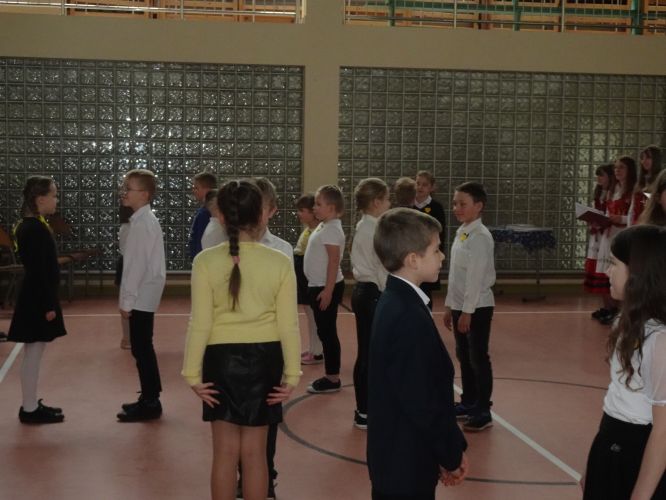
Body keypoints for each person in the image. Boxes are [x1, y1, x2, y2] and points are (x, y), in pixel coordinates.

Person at [182, 180, 300, 500]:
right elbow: (288, 324)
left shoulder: (205, 262)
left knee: (224, 453)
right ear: (261, 215)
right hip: (265, 360)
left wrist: (191, 374)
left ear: (220, 217)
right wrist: (292, 374)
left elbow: (200, 323)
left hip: (221, 361)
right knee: (255, 454)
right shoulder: (279, 262)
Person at [368, 207, 468, 499]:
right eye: (436, 250)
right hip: (405, 460)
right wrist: (451, 453)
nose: (442, 256)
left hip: (401, 454)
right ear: (412, 259)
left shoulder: (398, 301)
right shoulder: (406, 314)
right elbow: (423, 400)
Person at [583, 225, 666, 500]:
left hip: (637, 451)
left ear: (638, 274)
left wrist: (641, 495)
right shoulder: (626, 321)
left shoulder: (658, 339)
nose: (608, 271)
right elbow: (616, 397)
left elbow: (663, 431)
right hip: (611, 439)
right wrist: (595, 462)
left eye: (614, 264)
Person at [8, 176, 66, 424]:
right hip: (37, 298)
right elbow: (40, 271)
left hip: (36, 295)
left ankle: (30, 404)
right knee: (33, 353)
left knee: (35, 351)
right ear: (40, 199)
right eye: (54, 195)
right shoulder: (34, 229)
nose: (56, 200)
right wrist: (48, 305)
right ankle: (29, 408)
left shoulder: (32, 225)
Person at [443, 182, 496, 432]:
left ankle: (482, 410)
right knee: (463, 355)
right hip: (460, 305)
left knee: (478, 357)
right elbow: (455, 275)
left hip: (477, 307)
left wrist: (467, 311)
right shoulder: (462, 232)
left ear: (478, 206)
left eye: (462, 204)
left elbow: (475, 279)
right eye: (455, 203)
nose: (457, 208)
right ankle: (469, 401)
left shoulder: (480, 237)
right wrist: (449, 305)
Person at [116, 169, 166, 422]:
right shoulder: (142, 221)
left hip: (141, 295)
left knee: (142, 348)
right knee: (142, 347)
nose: (124, 192)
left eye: (129, 188)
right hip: (144, 293)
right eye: (124, 187)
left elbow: (135, 267)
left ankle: (151, 401)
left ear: (145, 194)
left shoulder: (142, 224)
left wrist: (127, 301)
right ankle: (149, 395)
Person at [350, 178, 390, 430]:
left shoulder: (367, 225)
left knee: (369, 352)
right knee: (368, 353)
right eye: (387, 199)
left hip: (366, 292)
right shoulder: (372, 230)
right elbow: (381, 268)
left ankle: (368, 406)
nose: (389, 204)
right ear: (376, 202)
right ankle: (365, 410)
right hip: (372, 293)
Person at [304, 185, 346, 394]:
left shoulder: (331, 229)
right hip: (318, 285)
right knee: (324, 331)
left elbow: (334, 260)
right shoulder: (325, 225)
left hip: (325, 287)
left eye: (318, 204)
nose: (314, 207)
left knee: (327, 333)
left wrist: (328, 290)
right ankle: (331, 375)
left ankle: (332, 378)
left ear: (331, 207)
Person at [596, 156, 639, 325]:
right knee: (610, 274)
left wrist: (620, 219)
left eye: (622, 167)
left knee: (623, 275)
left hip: (623, 236)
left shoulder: (635, 191)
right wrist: (602, 219)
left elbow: (635, 216)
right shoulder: (614, 190)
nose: (617, 171)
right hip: (610, 234)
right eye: (615, 168)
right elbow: (609, 212)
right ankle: (611, 309)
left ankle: (623, 312)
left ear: (630, 170)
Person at [293, 193, 323, 366]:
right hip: (303, 276)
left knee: (314, 315)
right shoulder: (309, 230)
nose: (299, 214)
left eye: (302, 210)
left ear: (313, 213)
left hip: (310, 279)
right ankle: (313, 348)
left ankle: (317, 352)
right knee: (309, 313)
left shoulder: (318, 232)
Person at [585, 164, 616, 323]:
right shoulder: (599, 193)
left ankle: (613, 308)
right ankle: (606, 306)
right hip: (598, 236)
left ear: (610, 176)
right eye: (597, 175)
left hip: (608, 235)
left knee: (606, 272)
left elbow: (611, 215)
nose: (598, 178)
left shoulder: (614, 192)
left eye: (601, 175)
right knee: (599, 271)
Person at [414, 170, 447, 309]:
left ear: (432, 188)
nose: (420, 187)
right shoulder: (408, 205)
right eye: (418, 183)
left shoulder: (436, 207)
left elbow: (441, 234)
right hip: (410, 256)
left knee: (425, 293)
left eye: (425, 184)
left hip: (426, 256)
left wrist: (435, 255)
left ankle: (426, 317)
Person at [116, 204, 134, 350]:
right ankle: (127, 339)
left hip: (127, 263)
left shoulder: (125, 227)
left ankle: (127, 338)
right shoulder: (130, 227)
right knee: (127, 302)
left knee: (127, 301)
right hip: (129, 264)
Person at [189, 172, 218, 260]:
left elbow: (201, 240)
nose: (193, 191)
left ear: (207, 190)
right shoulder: (204, 210)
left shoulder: (207, 213)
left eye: (196, 188)